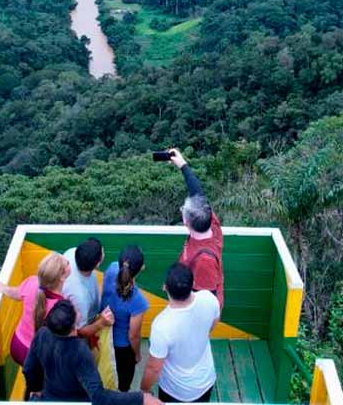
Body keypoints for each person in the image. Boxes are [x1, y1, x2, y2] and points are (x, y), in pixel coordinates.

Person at [23, 299, 162, 405]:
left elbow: (28, 368)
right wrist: (140, 398)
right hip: (77, 401)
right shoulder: (79, 351)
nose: (77, 309)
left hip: (49, 398)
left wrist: (35, 388)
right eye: (75, 310)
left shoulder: (42, 333)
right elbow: (98, 396)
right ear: (73, 325)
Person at [140, 263, 220, 403]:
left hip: (175, 391)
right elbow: (212, 324)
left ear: (165, 287)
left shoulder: (161, 326)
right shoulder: (209, 299)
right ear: (193, 283)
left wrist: (144, 391)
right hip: (206, 382)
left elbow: (154, 368)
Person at [166, 148, 224, 308]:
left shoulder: (205, 261)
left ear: (186, 223)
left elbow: (206, 301)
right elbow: (198, 193)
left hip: (197, 310)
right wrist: (182, 165)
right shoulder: (211, 223)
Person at [0, 252, 70, 366]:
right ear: (62, 277)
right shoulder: (61, 307)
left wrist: (3, 288)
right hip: (37, 355)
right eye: (67, 263)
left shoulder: (32, 282)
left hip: (17, 345)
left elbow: (16, 293)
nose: (69, 262)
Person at [100, 245, 149, 391]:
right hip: (122, 348)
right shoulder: (138, 301)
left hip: (103, 335)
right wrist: (137, 354)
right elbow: (133, 336)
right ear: (141, 268)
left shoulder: (111, 268)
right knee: (122, 385)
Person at [63, 237, 115, 339]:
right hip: (86, 322)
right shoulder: (80, 297)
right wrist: (101, 323)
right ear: (97, 264)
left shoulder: (71, 253)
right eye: (102, 252)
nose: (103, 251)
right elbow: (80, 331)